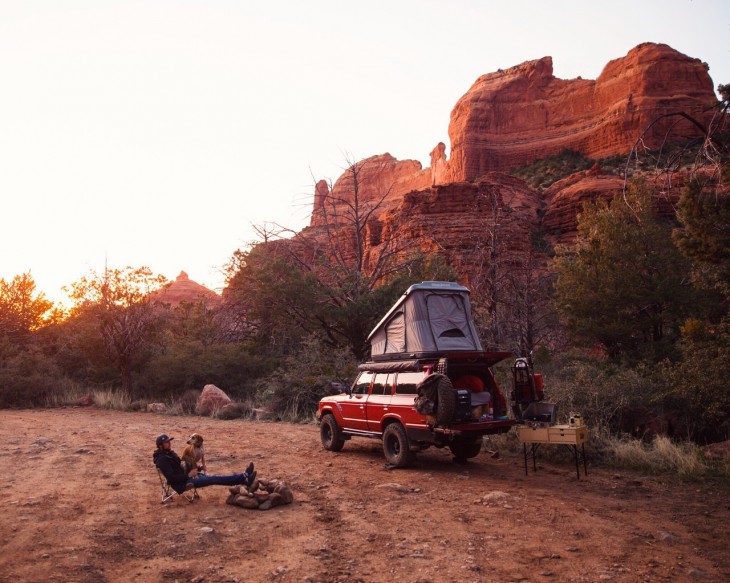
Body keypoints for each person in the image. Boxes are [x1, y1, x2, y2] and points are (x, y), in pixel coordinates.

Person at [153, 433, 255, 494]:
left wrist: (198, 468)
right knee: (213, 479)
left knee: (214, 477)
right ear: (161, 446)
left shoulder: (169, 453)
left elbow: (182, 465)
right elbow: (171, 479)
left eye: (169, 441)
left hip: (188, 477)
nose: (169, 443)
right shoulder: (162, 460)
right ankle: (243, 477)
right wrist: (188, 475)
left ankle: (243, 477)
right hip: (183, 484)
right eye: (166, 442)